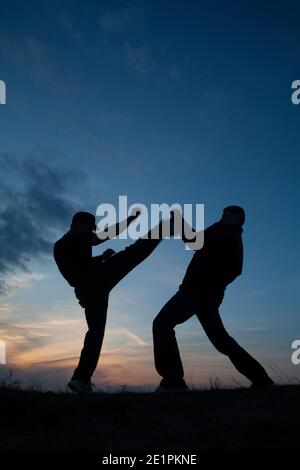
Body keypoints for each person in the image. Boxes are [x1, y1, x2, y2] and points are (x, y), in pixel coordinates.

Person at [153, 206, 274, 392]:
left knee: (162, 324)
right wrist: (216, 286)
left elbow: (194, 241)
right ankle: (261, 379)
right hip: (207, 295)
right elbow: (233, 268)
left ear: (236, 217)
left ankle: (173, 381)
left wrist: (178, 221)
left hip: (196, 292)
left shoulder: (223, 230)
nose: (223, 215)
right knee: (222, 341)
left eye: (227, 213)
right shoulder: (231, 234)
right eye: (223, 213)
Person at [54, 209, 165, 393]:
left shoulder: (77, 240)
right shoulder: (62, 246)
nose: (90, 232)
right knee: (132, 254)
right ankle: (163, 229)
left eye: (91, 229)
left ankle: (81, 378)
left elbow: (106, 235)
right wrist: (101, 260)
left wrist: (129, 220)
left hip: (88, 291)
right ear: (76, 224)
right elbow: (76, 274)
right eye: (87, 228)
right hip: (95, 282)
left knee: (95, 333)